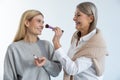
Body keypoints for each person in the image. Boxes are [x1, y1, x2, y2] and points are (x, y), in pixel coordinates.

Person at [52, 2, 108, 80]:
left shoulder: (96, 45)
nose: (74, 18)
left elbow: (72, 69)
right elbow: (68, 60)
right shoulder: (76, 37)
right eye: (75, 15)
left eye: (78, 15)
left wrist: (56, 43)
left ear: (91, 18)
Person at [3, 9, 62, 80]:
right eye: (39, 21)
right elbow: (8, 77)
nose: (42, 25)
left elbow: (56, 72)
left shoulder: (47, 45)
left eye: (43, 22)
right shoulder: (13, 48)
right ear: (27, 23)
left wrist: (46, 63)